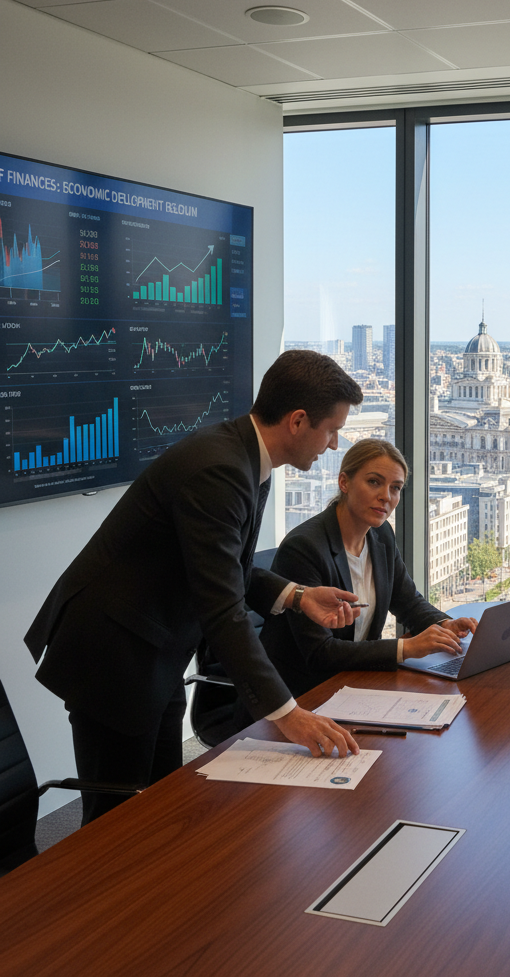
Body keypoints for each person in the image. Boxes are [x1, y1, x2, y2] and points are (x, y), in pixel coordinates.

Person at [25, 350, 367, 823]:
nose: (333, 444)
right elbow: (222, 607)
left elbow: (226, 569)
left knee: (162, 804)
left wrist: (298, 596)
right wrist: (288, 715)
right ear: (297, 421)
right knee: (114, 823)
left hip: (155, 649)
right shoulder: (220, 469)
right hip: (112, 655)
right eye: (331, 430)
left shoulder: (247, 460)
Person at [251, 438, 477, 705]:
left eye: (396, 487)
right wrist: (407, 648)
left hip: (358, 685)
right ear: (344, 482)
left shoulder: (381, 534)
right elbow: (320, 653)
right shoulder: (304, 548)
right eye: (374, 482)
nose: (386, 496)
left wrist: (443, 624)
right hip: (301, 696)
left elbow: (407, 601)